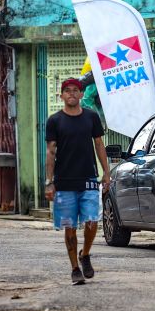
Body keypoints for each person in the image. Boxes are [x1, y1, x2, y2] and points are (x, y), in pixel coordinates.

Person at [45, 78, 111, 285]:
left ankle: (86, 254)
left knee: (92, 222)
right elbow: (51, 151)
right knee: (69, 226)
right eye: (67, 91)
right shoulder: (54, 121)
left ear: (82, 94)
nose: (71, 93)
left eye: (76, 90)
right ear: (61, 96)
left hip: (89, 179)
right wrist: (49, 181)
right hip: (64, 182)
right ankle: (75, 268)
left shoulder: (91, 117)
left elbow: (99, 144)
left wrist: (107, 173)